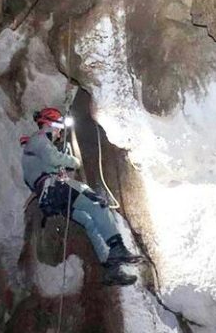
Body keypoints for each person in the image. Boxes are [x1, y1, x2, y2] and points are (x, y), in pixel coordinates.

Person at [21, 107, 141, 286]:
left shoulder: (33, 150)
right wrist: (73, 161)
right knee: (97, 204)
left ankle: (110, 269)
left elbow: (45, 167)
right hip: (54, 188)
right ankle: (117, 247)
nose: (59, 133)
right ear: (50, 124)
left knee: (87, 221)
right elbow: (54, 159)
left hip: (49, 198)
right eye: (58, 128)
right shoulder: (38, 139)